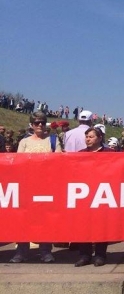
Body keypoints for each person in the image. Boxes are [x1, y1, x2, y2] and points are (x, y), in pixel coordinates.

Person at [11, 111, 62, 263]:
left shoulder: (53, 140)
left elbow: (58, 160)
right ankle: (21, 251)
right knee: (23, 218)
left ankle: (45, 251)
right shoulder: (24, 142)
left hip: (46, 186)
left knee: (45, 219)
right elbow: (17, 163)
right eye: (36, 122)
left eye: (42, 122)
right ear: (31, 125)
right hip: (27, 186)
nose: (39, 125)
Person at [74, 127, 116, 267]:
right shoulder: (81, 154)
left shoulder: (109, 153)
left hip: (103, 194)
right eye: (86, 136)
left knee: (101, 225)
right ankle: (84, 255)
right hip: (84, 195)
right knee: (83, 226)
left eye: (91, 136)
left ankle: (100, 255)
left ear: (99, 138)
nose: (88, 139)